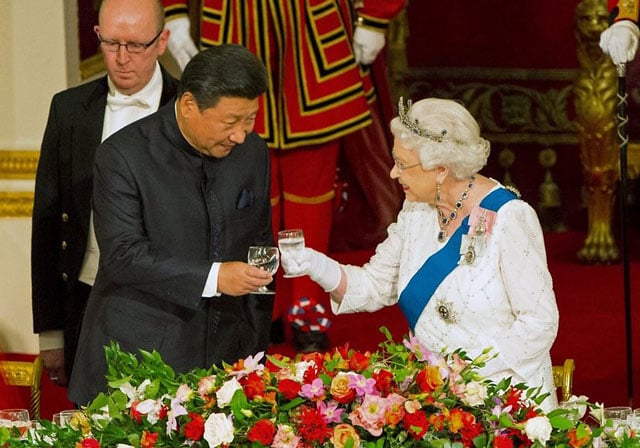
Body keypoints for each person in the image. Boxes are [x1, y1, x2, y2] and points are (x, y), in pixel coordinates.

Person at [280, 97, 560, 411]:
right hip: (437, 402)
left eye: (402, 164)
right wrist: (315, 263)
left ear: (440, 169)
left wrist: (469, 373)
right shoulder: (416, 210)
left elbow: (539, 323)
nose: (392, 174)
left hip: (506, 402)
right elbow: (374, 285)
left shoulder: (510, 218)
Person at [161, 0, 405, 352]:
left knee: (313, 189)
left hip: (313, 30)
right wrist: (174, 11)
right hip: (234, 23)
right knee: (246, 187)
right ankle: (263, 307)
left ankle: (307, 311)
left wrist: (376, 15)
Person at [68, 44, 274, 405]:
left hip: (227, 360)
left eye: (250, 120)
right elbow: (122, 255)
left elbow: (259, 243)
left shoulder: (252, 152)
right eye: (230, 122)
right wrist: (213, 277)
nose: (240, 135)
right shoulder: (122, 156)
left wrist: (256, 347)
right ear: (189, 104)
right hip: (140, 360)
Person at [31, 0, 178, 388]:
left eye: (135, 45)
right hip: (86, 300)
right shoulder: (69, 110)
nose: (121, 59)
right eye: (111, 43)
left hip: (172, 309)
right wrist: (50, 333)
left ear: (162, 42)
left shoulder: (188, 109)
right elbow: (47, 219)